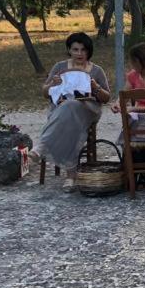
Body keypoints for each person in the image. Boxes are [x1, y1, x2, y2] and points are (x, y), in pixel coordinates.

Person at [32, 32, 111, 192]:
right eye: (75, 49)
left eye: (83, 50)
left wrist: (95, 87)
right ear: (69, 50)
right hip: (62, 110)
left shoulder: (96, 70)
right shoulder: (60, 67)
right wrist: (52, 84)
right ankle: (70, 175)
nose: (79, 53)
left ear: (89, 51)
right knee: (69, 119)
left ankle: (42, 145)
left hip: (88, 109)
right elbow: (45, 93)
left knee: (72, 106)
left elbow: (106, 98)